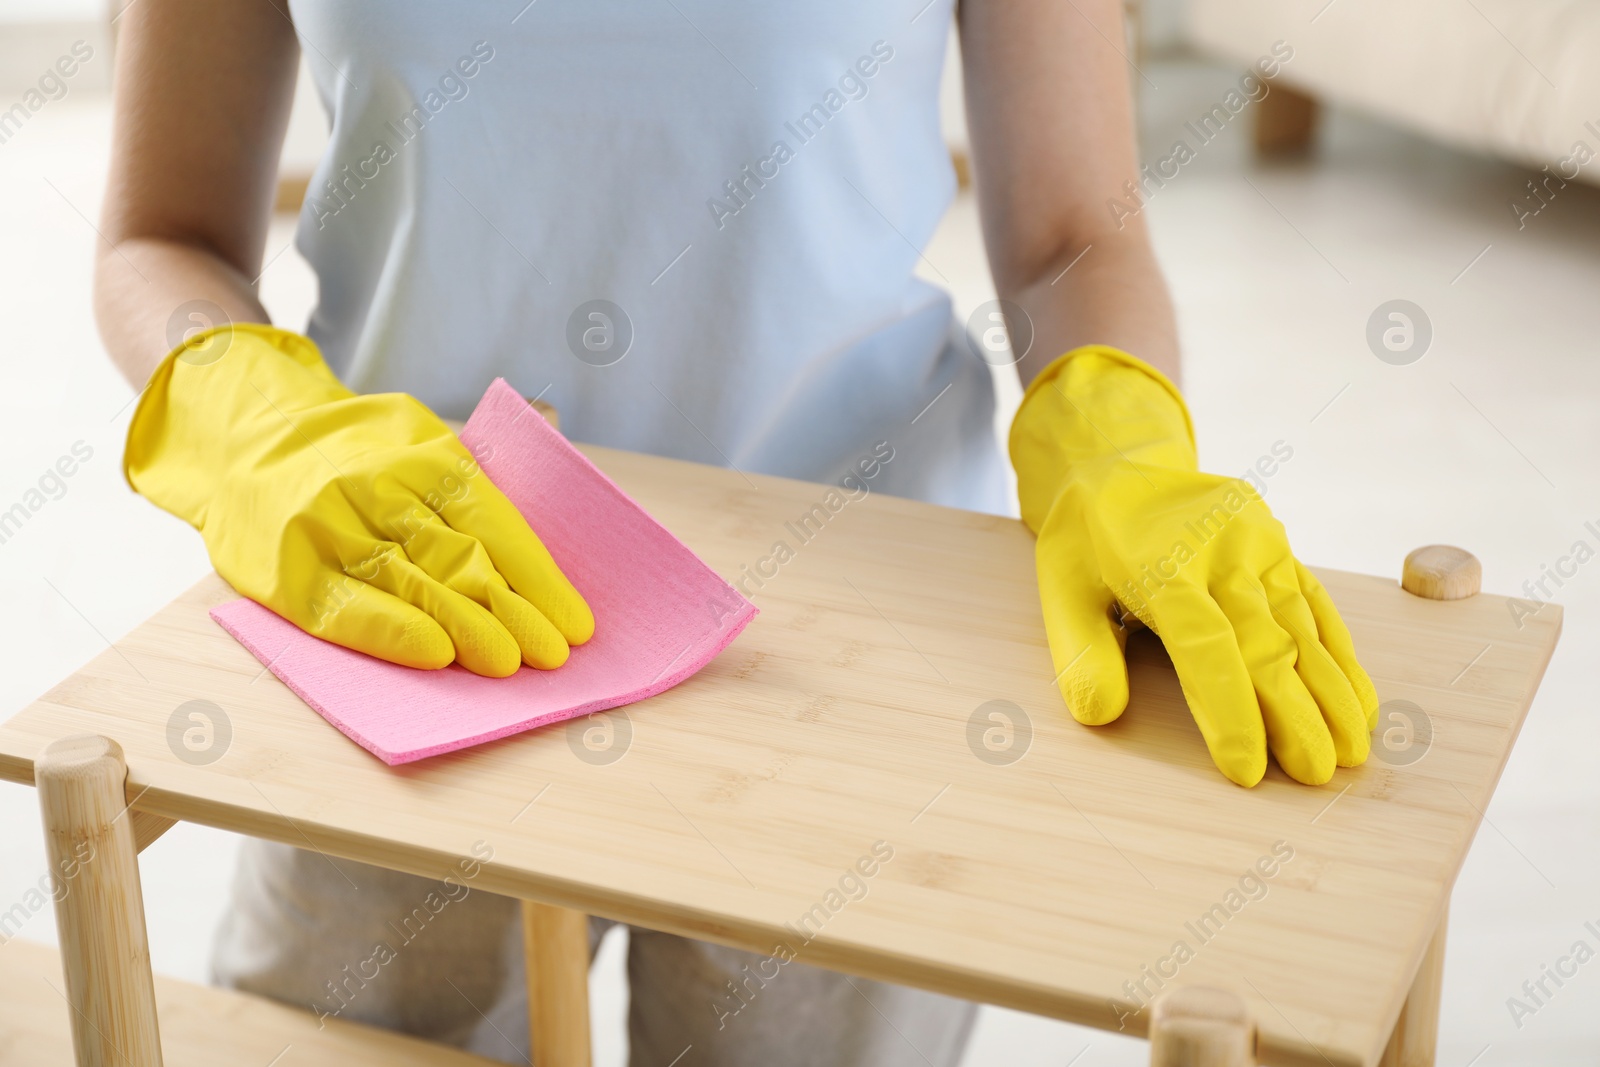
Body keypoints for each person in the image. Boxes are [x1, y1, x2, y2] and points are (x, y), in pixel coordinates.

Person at [95, 1, 1379, 1063]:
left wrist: (1116, 438)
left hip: (848, 652)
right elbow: (163, 234)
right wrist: (240, 407)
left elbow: (1067, 235)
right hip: (410, 618)